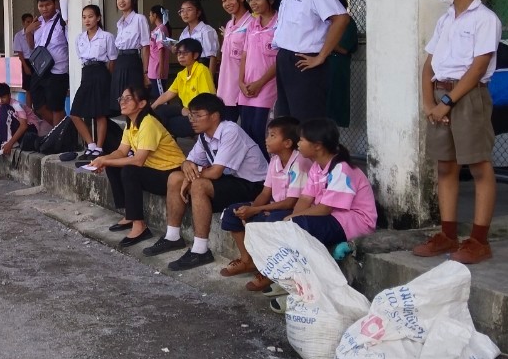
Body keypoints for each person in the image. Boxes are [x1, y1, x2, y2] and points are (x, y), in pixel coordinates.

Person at [411, 0, 501, 266]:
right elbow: (428, 65)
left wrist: (448, 103)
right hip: (440, 95)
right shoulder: (446, 19)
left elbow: (478, 68)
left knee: (478, 165)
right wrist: (430, 102)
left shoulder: (485, 19)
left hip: (468, 96)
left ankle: (479, 240)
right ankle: (447, 234)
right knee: (445, 166)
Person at [143, 93, 267, 269]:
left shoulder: (230, 131)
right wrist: (186, 165)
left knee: (198, 184)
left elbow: (215, 173)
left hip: (252, 185)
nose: (192, 120)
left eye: (198, 115)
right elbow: (190, 162)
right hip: (230, 180)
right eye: (191, 115)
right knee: (175, 177)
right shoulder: (204, 136)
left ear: (215, 116)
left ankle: (200, 250)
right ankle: (172, 237)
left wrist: (192, 176)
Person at [217, 116, 309, 292]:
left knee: (267, 222)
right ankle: (247, 261)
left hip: (293, 210)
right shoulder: (274, 160)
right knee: (232, 212)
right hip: (274, 206)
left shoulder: (299, 162)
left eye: (272, 135)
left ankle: (269, 271)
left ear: (288, 143)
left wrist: (257, 210)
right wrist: (250, 210)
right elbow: (266, 192)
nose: (266, 139)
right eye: (268, 135)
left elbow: (291, 202)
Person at [89, 82, 185, 248]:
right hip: (154, 170)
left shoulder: (148, 123)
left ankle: (139, 226)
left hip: (171, 174)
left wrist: (106, 160)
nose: (122, 102)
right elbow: (121, 151)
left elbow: (138, 160)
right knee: (113, 164)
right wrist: (102, 160)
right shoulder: (131, 123)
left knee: (130, 171)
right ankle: (129, 214)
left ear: (141, 104)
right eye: (121, 98)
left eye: (128, 99)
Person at [271, 0, 350, 121]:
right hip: (285, 58)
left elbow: (341, 19)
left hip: (305, 61)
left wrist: (321, 56)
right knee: (286, 121)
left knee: (306, 121)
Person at [286, 117, 378, 252]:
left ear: (317, 145)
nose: (298, 144)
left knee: (299, 225)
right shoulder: (316, 167)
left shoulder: (342, 168)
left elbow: (325, 209)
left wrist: (293, 219)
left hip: (356, 223)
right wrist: (291, 220)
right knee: (281, 220)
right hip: (334, 218)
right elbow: (305, 198)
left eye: (302, 140)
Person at [237, 0, 281, 153]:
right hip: (247, 86)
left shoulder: (280, 23)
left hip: (267, 85)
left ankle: (268, 168)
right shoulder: (252, 24)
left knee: (260, 130)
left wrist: (260, 83)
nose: (253, 3)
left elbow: (280, 59)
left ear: (270, 0)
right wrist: (240, 82)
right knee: (247, 131)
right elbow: (245, 54)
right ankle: (253, 168)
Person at [70, 3, 117, 158]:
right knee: (75, 113)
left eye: (90, 17)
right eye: (84, 17)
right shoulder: (79, 38)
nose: (87, 20)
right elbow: (81, 58)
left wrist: (107, 78)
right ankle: (90, 144)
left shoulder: (107, 36)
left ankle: (99, 148)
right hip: (87, 73)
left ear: (98, 18)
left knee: (100, 113)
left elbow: (112, 60)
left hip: (101, 72)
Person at [151, 38, 215, 136]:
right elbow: (168, 93)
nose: (181, 56)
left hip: (199, 115)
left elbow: (206, 99)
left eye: (185, 53)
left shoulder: (202, 70)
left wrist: (191, 112)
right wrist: (152, 107)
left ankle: (165, 142)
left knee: (168, 123)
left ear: (195, 55)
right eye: (179, 53)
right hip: (186, 111)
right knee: (158, 111)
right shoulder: (181, 74)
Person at [28, 0, 69, 126]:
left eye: (48, 5)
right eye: (41, 6)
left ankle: (58, 136)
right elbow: (32, 46)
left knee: (56, 107)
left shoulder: (62, 21)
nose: (44, 8)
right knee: (38, 105)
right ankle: (64, 130)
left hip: (58, 70)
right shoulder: (37, 22)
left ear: (55, 4)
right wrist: (28, 32)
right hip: (40, 69)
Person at [217, 0, 252, 122]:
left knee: (247, 128)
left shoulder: (252, 23)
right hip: (227, 86)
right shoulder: (229, 25)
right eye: (224, 1)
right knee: (227, 126)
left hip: (245, 84)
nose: (227, 3)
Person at [111, 0, 150, 107]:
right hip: (120, 62)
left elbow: (146, 47)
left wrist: (145, 72)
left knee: (134, 99)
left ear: (133, 0)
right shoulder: (120, 23)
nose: (121, 1)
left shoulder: (139, 19)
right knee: (121, 101)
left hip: (133, 61)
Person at [327, 0, 359, 129]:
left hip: (336, 66)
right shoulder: (323, 21)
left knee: (335, 104)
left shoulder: (347, 21)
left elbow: (345, 48)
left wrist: (324, 43)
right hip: (321, 67)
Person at [0, 82, 32, 173]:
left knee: (5, 108)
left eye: (3, 97)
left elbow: (24, 126)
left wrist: (10, 143)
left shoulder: (16, 105)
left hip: (28, 132)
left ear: (9, 95)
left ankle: (7, 141)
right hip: (11, 134)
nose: (0, 101)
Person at [177, 0, 219, 74]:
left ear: (198, 13)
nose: (185, 13)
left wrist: (210, 77)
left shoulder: (206, 30)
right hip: (188, 70)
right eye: (182, 10)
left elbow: (212, 56)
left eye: (189, 9)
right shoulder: (184, 33)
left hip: (203, 68)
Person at [11, 12, 36, 110]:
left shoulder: (36, 33)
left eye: (31, 22)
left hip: (37, 60)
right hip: (26, 61)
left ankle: (38, 110)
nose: (30, 24)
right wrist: (25, 66)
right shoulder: (18, 36)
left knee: (38, 87)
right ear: (23, 22)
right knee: (28, 89)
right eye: (27, 22)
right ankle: (29, 110)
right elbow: (20, 53)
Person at [147, 5, 170, 98]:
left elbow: (161, 49)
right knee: (155, 96)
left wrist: (160, 68)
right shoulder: (156, 29)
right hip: (153, 69)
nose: (149, 17)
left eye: (150, 15)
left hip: (157, 70)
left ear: (155, 15)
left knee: (160, 96)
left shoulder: (161, 29)